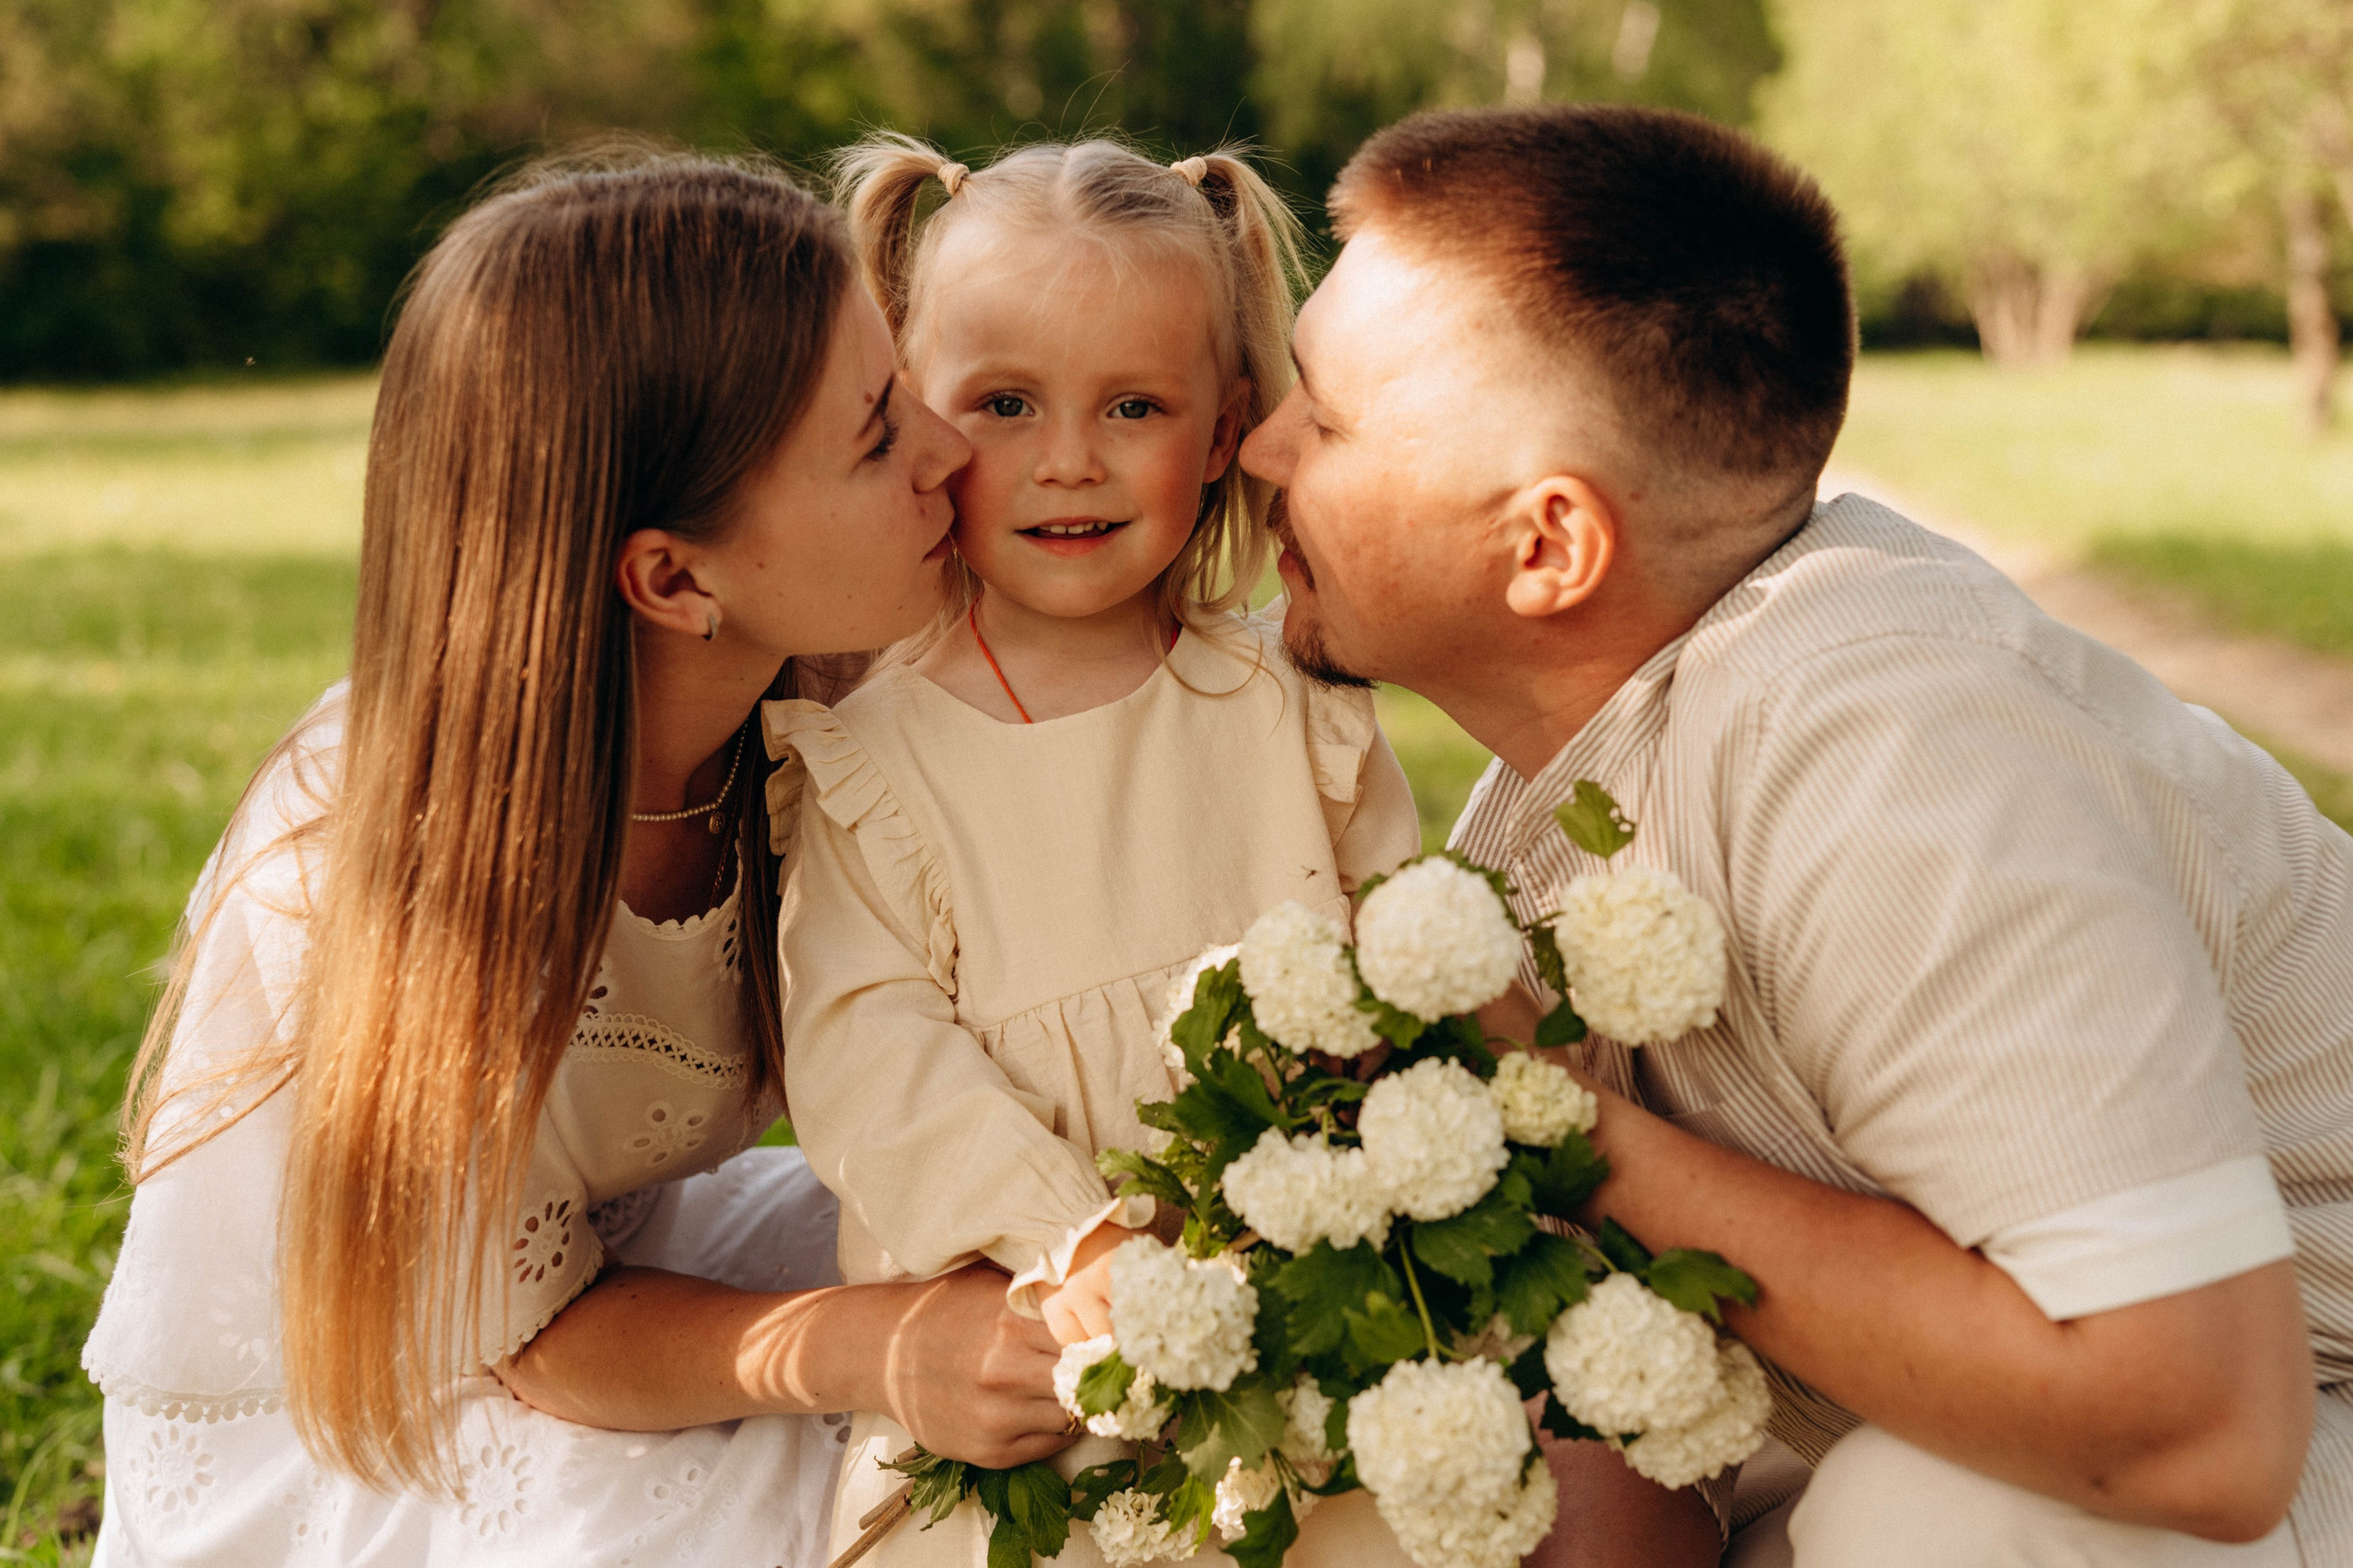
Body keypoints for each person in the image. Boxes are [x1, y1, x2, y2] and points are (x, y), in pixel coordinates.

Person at [1240, 100, 2353, 1567]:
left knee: (1928, 1522)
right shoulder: (1551, 805)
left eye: (1324, 421)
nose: (1258, 447)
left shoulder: (1890, 757)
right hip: (2112, 1442)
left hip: (2266, 1419)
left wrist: (1557, 1122)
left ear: (1551, 544)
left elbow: (2199, 1425)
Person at [80, 150, 1079, 1568]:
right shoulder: (396, 870)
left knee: (1039, 1278)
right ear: (674, 577)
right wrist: (886, 1343)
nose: (949, 450)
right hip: (378, 1396)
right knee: (788, 1506)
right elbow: (525, 1335)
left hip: (614, 1265)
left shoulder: (816, 709)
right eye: (875, 435)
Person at [767, 134, 1437, 1566]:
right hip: (1025, 1356)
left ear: (1224, 429)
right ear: (922, 419)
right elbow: (869, 1056)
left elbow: (1409, 976)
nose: (1069, 459)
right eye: (1005, 404)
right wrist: (1073, 1237)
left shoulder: (1291, 709)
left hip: (1307, 1335)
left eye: (1133, 405)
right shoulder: (875, 762)